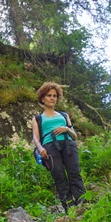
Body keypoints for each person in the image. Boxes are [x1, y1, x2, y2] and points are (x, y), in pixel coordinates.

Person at [32, 81, 86, 214]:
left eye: (54, 96)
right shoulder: (38, 118)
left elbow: (74, 136)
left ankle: (83, 204)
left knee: (74, 173)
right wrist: (40, 149)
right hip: (50, 147)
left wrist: (66, 129)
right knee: (59, 177)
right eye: (49, 95)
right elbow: (35, 138)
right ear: (42, 98)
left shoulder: (64, 115)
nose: (52, 98)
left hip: (68, 144)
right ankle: (70, 209)